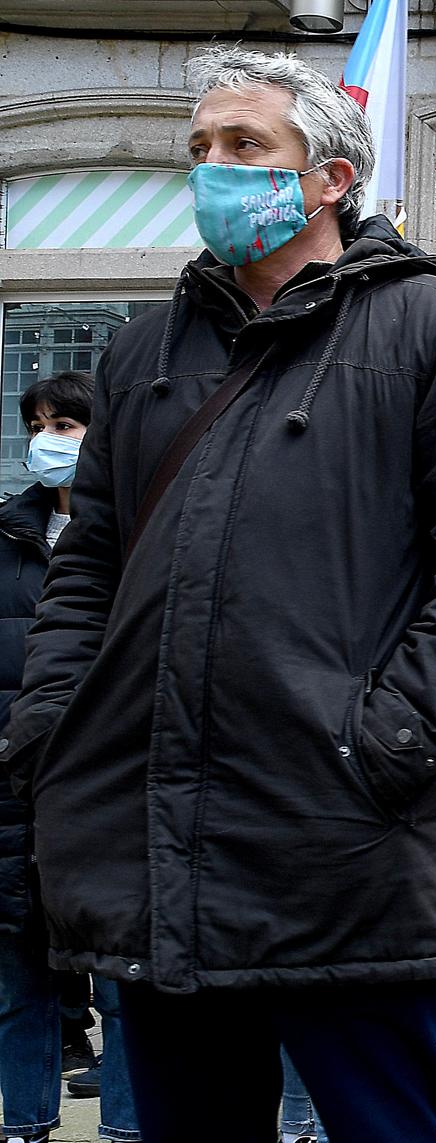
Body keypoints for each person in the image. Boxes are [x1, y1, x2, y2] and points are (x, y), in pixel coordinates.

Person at [0, 46, 436, 1143]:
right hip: (152, 834)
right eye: (201, 148)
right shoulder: (143, 352)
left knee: (388, 1123)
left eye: (245, 146)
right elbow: (90, 565)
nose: (214, 167)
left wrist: (382, 741)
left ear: (330, 179)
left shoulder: (433, 328)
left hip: (328, 831)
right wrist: (52, 732)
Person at [0, 372, 137, 1143]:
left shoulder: (137, 534)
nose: (52, 438)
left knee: (122, 982)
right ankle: (25, 1122)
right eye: (41, 423)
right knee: (20, 981)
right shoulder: (6, 538)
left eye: (70, 424)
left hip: (108, 786)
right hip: (16, 790)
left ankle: (126, 1125)